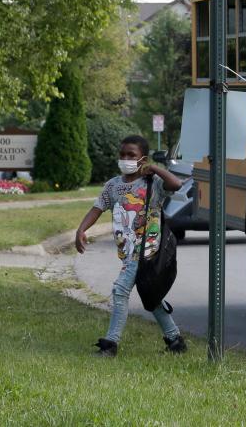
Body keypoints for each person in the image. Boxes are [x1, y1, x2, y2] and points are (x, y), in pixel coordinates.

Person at [75, 134, 186, 356]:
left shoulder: (152, 183)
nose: (125, 158)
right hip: (127, 250)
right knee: (150, 294)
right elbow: (98, 208)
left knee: (120, 290)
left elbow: (176, 184)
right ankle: (175, 340)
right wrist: (81, 229)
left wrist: (154, 169)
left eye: (131, 155)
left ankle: (110, 344)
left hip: (147, 249)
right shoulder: (113, 186)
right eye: (122, 154)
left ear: (142, 159)